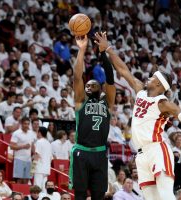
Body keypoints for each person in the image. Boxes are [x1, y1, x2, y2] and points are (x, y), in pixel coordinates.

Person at [94, 32, 181, 200]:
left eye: (152, 77)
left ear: (158, 83)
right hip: (141, 155)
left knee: (165, 196)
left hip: (157, 149)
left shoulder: (163, 102)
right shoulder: (140, 91)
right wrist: (108, 48)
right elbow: (123, 69)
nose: (148, 78)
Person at [68, 34, 116, 200]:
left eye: (92, 85)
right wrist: (82, 50)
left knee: (98, 195)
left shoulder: (107, 103)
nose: (88, 86)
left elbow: (110, 78)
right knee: (80, 195)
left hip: (100, 153)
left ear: (100, 88)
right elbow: (77, 76)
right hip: (82, 151)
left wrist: (103, 53)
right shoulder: (81, 101)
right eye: (87, 85)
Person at [10, 117, 36, 184]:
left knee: (27, 179)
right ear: (21, 124)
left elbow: (32, 145)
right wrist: (23, 146)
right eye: (25, 124)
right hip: (19, 159)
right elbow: (11, 146)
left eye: (28, 124)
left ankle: (25, 193)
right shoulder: (16, 133)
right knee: (19, 179)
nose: (26, 125)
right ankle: (18, 193)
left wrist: (35, 154)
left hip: (28, 159)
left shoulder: (31, 133)